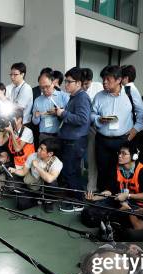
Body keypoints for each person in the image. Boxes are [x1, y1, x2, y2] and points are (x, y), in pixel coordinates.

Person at [91, 65, 143, 192]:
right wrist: (98, 119)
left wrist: (135, 130)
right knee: (102, 169)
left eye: (108, 79)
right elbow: (92, 114)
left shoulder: (130, 92)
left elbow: (141, 111)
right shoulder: (99, 96)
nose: (104, 82)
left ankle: (118, 198)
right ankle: (102, 197)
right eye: (103, 79)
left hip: (123, 140)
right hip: (102, 140)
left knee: (120, 170)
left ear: (119, 80)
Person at [82, 143, 143, 228]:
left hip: (137, 204)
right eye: (119, 153)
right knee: (88, 213)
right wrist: (95, 198)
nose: (120, 156)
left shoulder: (142, 171)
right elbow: (110, 190)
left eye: (124, 153)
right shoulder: (116, 167)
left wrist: (127, 196)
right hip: (119, 201)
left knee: (121, 218)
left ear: (134, 156)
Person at [55, 67, 91, 213]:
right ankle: (74, 198)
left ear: (79, 83)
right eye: (66, 81)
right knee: (71, 171)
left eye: (69, 82)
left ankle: (78, 202)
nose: (66, 84)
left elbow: (83, 119)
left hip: (75, 141)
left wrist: (63, 113)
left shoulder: (82, 97)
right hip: (70, 139)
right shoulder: (74, 96)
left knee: (72, 171)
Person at [9, 139, 62, 212]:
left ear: (50, 154)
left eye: (42, 149)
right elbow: (24, 172)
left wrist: (37, 167)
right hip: (34, 186)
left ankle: (48, 201)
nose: (38, 150)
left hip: (47, 188)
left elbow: (49, 179)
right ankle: (38, 200)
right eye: (39, 147)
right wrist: (14, 170)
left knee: (52, 183)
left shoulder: (57, 163)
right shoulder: (33, 156)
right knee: (20, 205)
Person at [31, 72, 69, 144]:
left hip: (60, 134)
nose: (45, 90)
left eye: (47, 86)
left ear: (53, 83)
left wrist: (58, 113)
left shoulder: (63, 96)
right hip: (44, 135)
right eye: (42, 87)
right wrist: (35, 116)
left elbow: (69, 115)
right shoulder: (38, 100)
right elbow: (35, 122)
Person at [82, 67, 103, 192]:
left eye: (86, 83)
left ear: (91, 80)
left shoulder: (98, 87)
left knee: (91, 158)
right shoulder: (77, 89)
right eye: (82, 83)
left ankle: (92, 186)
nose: (84, 86)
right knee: (79, 157)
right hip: (80, 128)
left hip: (93, 126)